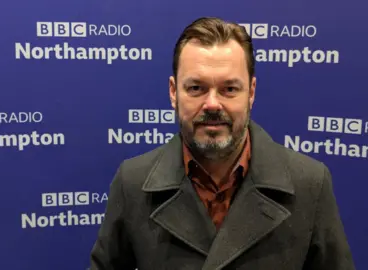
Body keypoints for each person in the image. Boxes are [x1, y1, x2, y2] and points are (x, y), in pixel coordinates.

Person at [89, 17, 355, 270]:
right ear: (173, 92)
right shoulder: (133, 183)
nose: (213, 104)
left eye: (229, 89)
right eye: (196, 88)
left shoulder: (310, 184)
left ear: (251, 93)